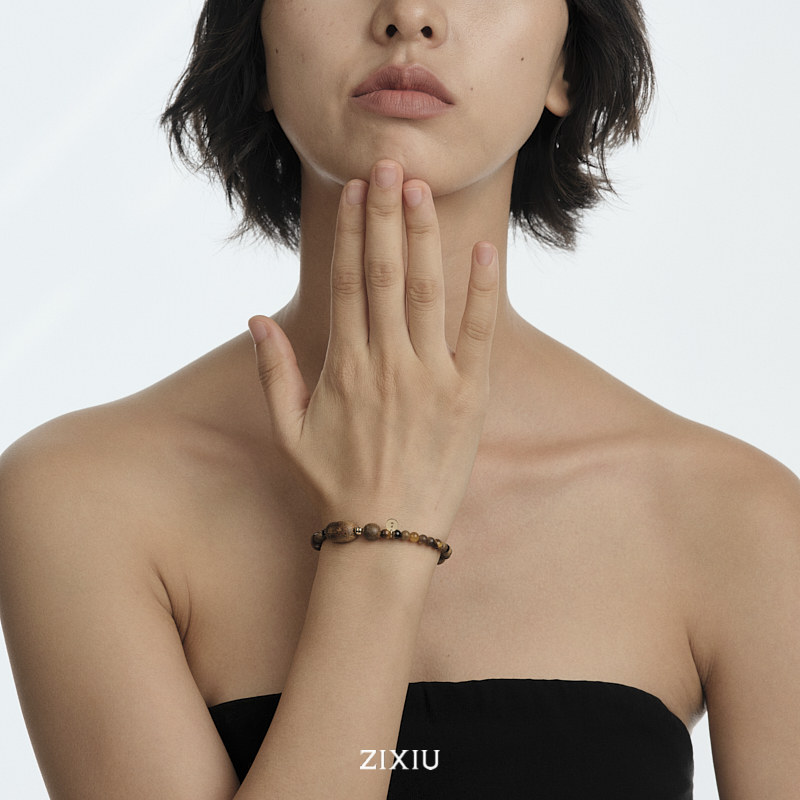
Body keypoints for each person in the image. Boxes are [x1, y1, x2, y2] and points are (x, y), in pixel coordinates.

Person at [0, 1, 798, 798]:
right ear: (258, 42)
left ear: (566, 65)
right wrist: (379, 539)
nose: (409, 15)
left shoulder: (740, 517)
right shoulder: (83, 497)